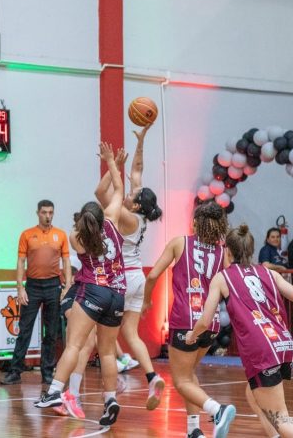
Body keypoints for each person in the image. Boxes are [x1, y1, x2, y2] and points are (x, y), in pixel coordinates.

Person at [187, 224, 293, 438]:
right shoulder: (268, 273)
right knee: (253, 395)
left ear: (228, 251)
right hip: (282, 344)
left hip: (262, 349)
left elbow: (205, 321)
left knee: (281, 417)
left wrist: (191, 334)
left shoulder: (223, 278)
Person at [34, 142, 126, 427]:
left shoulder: (78, 238)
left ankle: (53, 392)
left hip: (93, 291)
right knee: (108, 351)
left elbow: (78, 231)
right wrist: (113, 163)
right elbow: (119, 191)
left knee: (74, 344)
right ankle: (110, 399)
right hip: (118, 294)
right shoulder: (112, 222)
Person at [142, 201, 236, 438]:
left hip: (185, 320)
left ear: (195, 223)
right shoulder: (222, 251)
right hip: (211, 322)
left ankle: (217, 410)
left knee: (180, 380)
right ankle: (194, 429)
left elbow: (152, 274)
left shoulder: (180, 242)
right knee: (189, 373)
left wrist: (145, 301)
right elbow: (229, 287)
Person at [94, 125, 166, 410]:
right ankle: (151, 376)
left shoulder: (126, 217)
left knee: (102, 334)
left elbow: (103, 195)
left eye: (132, 195)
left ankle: (114, 384)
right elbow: (137, 171)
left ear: (136, 205)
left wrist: (112, 165)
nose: (128, 194)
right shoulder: (141, 214)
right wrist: (141, 141)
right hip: (138, 277)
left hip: (121, 279)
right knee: (132, 335)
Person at [1, 200, 71, 386]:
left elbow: (66, 263)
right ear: (37, 213)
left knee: (51, 332)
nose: (47, 216)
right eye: (44, 212)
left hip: (53, 285)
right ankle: (15, 371)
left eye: (50, 213)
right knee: (24, 330)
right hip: (32, 286)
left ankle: (47, 372)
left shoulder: (61, 235)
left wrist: (67, 287)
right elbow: (20, 262)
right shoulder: (27, 234)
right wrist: (20, 287)